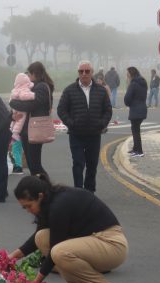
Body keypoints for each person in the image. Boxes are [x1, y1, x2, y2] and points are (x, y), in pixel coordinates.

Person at [8, 175, 128, 283]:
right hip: (94, 240)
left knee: (59, 252)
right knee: (41, 237)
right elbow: (37, 238)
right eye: (24, 207)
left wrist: (36, 282)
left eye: (29, 206)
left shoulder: (59, 206)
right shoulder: (50, 202)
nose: (27, 210)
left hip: (111, 244)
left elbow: (55, 248)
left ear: (40, 196)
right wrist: (11, 257)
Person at [57, 60, 112, 193]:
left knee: (92, 165)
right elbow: (61, 110)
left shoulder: (101, 91)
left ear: (92, 72)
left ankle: (89, 191)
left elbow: (108, 110)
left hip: (94, 134)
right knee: (78, 163)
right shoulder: (70, 90)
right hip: (76, 135)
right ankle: (78, 191)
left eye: (87, 71)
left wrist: (101, 123)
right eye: (81, 71)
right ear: (78, 73)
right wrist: (71, 123)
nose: (84, 74)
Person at [9, 62, 54, 177]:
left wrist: (13, 102)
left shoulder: (41, 87)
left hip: (34, 128)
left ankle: (46, 187)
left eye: (28, 73)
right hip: (28, 130)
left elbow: (30, 106)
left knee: (35, 164)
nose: (27, 76)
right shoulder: (35, 86)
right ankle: (40, 188)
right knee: (31, 163)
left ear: (34, 73)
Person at [124, 66, 148, 157]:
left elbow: (127, 99)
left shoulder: (133, 84)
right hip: (142, 109)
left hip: (135, 110)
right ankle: (135, 148)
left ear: (131, 74)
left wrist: (129, 103)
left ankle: (139, 151)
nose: (127, 76)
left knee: (135, 131)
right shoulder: (143, 82)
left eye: (127, 74)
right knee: (136, 129)